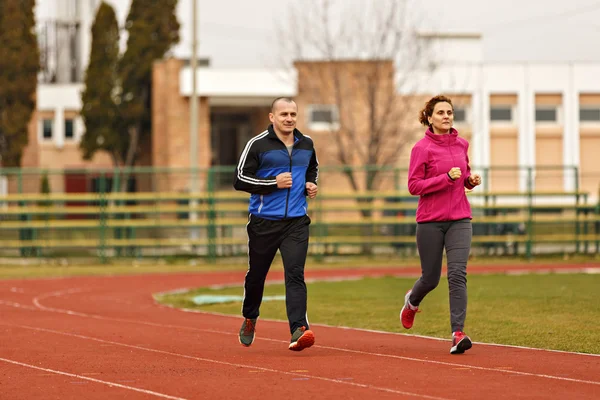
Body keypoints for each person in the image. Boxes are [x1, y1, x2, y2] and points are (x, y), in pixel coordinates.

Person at [233, 97, 319, 351]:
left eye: (293, 114)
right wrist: (273, 183)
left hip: (296, 222)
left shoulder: (307, 144)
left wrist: (310, 184)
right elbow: (239, 179)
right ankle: (250, 317)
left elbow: (311, 168)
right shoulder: (257, 145)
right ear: (272, 117)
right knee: (257, 276)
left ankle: (298, 329)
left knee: (295, 273)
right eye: (283, 114)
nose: (289, 118)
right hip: (264, 223)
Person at [400, 95, 482, 354]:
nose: (446, 116)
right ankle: (412, 302)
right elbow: (414, 186)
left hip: (460, 219)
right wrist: (444, 178)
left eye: (449, 112)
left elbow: (463, 176)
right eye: (440, 113)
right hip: (430, 222)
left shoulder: (462, 144)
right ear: (430, 118)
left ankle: (457, 334)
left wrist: (470, 181)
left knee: (457, 275)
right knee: (431, 278)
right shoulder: (421, 149)